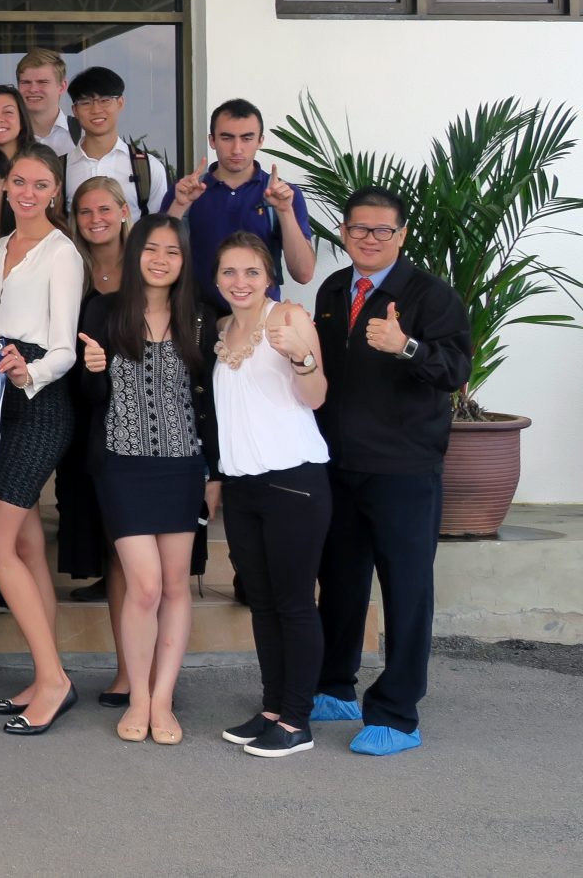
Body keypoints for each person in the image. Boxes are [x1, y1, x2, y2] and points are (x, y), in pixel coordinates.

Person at [310, 187, 473, 757]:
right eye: (358, 229)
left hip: (404, 469)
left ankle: (398, 714)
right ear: (345, 233)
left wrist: (406, 348)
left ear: (402, 235)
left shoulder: (431, 297)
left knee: (406, 590)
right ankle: (334, 687)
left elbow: (455, 369)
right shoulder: (334, 290)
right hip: (340, 464)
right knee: (341, 582)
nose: (369, 239)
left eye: (382, 231)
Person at [74, 215, 219, 747]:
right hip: (123, 464)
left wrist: (215, 471)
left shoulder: (202, 319)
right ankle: (138, 695)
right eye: (151, 249)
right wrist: (92, 370)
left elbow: (213, 403)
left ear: (184, 261)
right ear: (135, 254)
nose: (161, 259)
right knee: (147, 585)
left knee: (177, 586)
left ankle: (163, 698)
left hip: (183, 465)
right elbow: (90, 401)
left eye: (172, 252)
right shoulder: (106, 312)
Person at [210, 232, 332, 760]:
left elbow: (317, 395)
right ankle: (272, 708)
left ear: (269, 277)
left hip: (293, 482)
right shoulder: (220, 330)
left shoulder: (289, 320)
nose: (240, 282)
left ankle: (297, 720)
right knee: (261, 603)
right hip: (243, 487)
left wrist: (303, 359)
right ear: (216, 279)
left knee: (294, 604)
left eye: (252, 272)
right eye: (230, 273)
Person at [0, 145, 84, 737]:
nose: (25, 191)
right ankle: (50, 673)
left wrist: (29, 374)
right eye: (18, 180)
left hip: (39, 402)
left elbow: (65, 348)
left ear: (54, 192)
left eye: (39, 183)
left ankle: (54, 682)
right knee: (24, 548)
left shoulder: (62, 254)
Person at [60, 176, 134, 636]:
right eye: (85, 212)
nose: (95, 219)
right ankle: (109, 575)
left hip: (134, 406)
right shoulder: (71, 268)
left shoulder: (148, 265)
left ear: (124, 212)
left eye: (105, 209)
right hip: (81, 402)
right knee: (89, 500)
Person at [161, 98, 317, 296]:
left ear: (260, 140)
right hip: (196, 319)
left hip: (260, 320)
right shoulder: (184, 192)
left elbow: (303, 274)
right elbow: (159, 263)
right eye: (227, 138)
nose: (236, 149)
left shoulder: (284, 194)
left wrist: (285, 211)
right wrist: (179, 205)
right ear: (212, 140)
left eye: (247, 138)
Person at [65, 67, 169, 223]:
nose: (96, 109)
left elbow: (157, 229)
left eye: (105, 100)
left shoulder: (148, 167)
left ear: (120, 103)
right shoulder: (61, 169)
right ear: (75, 110)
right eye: (86, 102)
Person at [16, 48, 76, 158]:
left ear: (62, 87)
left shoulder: (83, 133)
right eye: (26, 82)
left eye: (42, 82)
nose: (33, 89)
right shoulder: (9, 136)